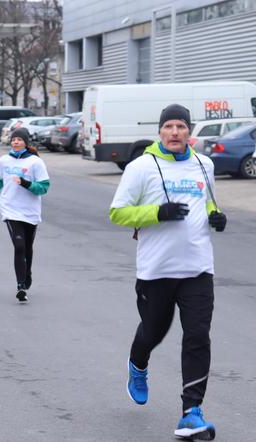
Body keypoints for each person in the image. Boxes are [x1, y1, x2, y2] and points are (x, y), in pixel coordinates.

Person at [109, 104, 227, 441]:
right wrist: (156, 213)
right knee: (153, 332)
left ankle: (192, 412)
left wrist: (217, 216)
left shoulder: (205, 164)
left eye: (181, 126)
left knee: (197, 337)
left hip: (198, 267)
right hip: (156, 270)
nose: (175, 132)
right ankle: (138, 364)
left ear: (190, 131)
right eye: (169, 126)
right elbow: (118, 214)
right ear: (160, 131)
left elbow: (208, 203)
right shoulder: (141, 167)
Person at [0, 128, 49, 303]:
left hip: (30, 210)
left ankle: (27, 272)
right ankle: (20, 285)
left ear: (26, 142)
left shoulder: (35, 162)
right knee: (19, 246)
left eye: (19, 140)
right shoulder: (4, 160)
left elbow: (44, 187)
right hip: (10, 208)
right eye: (13, 139)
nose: (15, 142)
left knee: (28, 247)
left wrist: (25, 183)